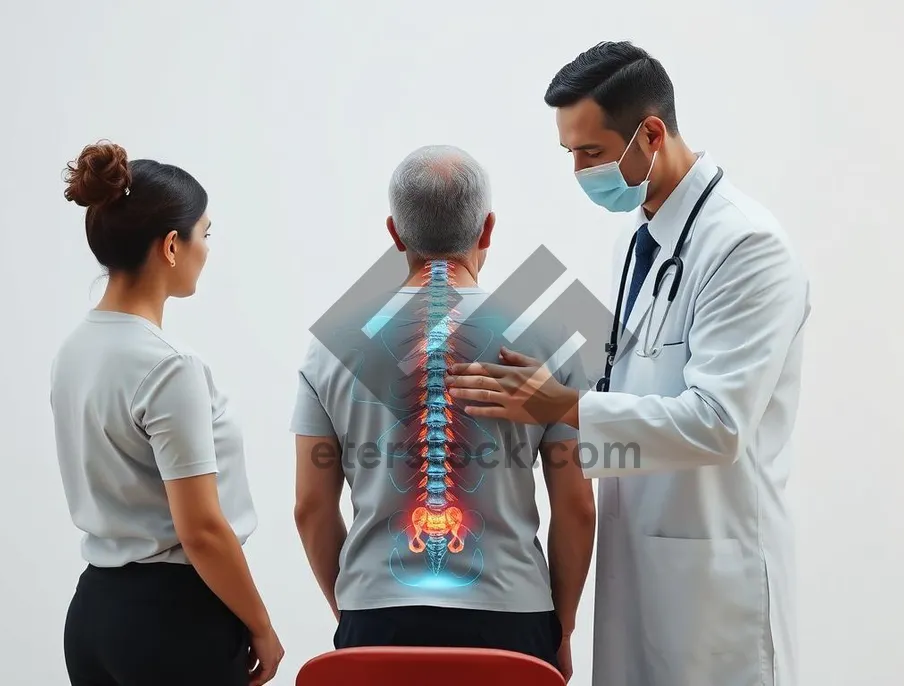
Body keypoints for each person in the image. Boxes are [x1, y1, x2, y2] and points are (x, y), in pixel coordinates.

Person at [445, 42, 811, 686]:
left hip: (712, 577)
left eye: (592, 152)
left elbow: (718, 423)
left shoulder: (746, 245)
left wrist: (559, 404)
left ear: (650, 132)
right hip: (635, 557)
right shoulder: (635, 242)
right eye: (571, 155)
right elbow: (632, 385)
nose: (581, 171)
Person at [290, 144, 597, 681]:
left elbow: (310, 509)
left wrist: (354, 611)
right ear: (488, 230)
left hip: (376, 617)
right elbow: (576, 509)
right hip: (511, 621)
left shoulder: (329, 345)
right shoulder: (552, 338)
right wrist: (561, 627)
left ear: (394, 233)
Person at [51, 141, 285, 686]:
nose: (208, 247)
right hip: (173, 621)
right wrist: (262, 625)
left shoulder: (75, 348)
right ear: (172, 246)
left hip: (94, 613)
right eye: (205, 233)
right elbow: (201, 528)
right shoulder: (169, 367)